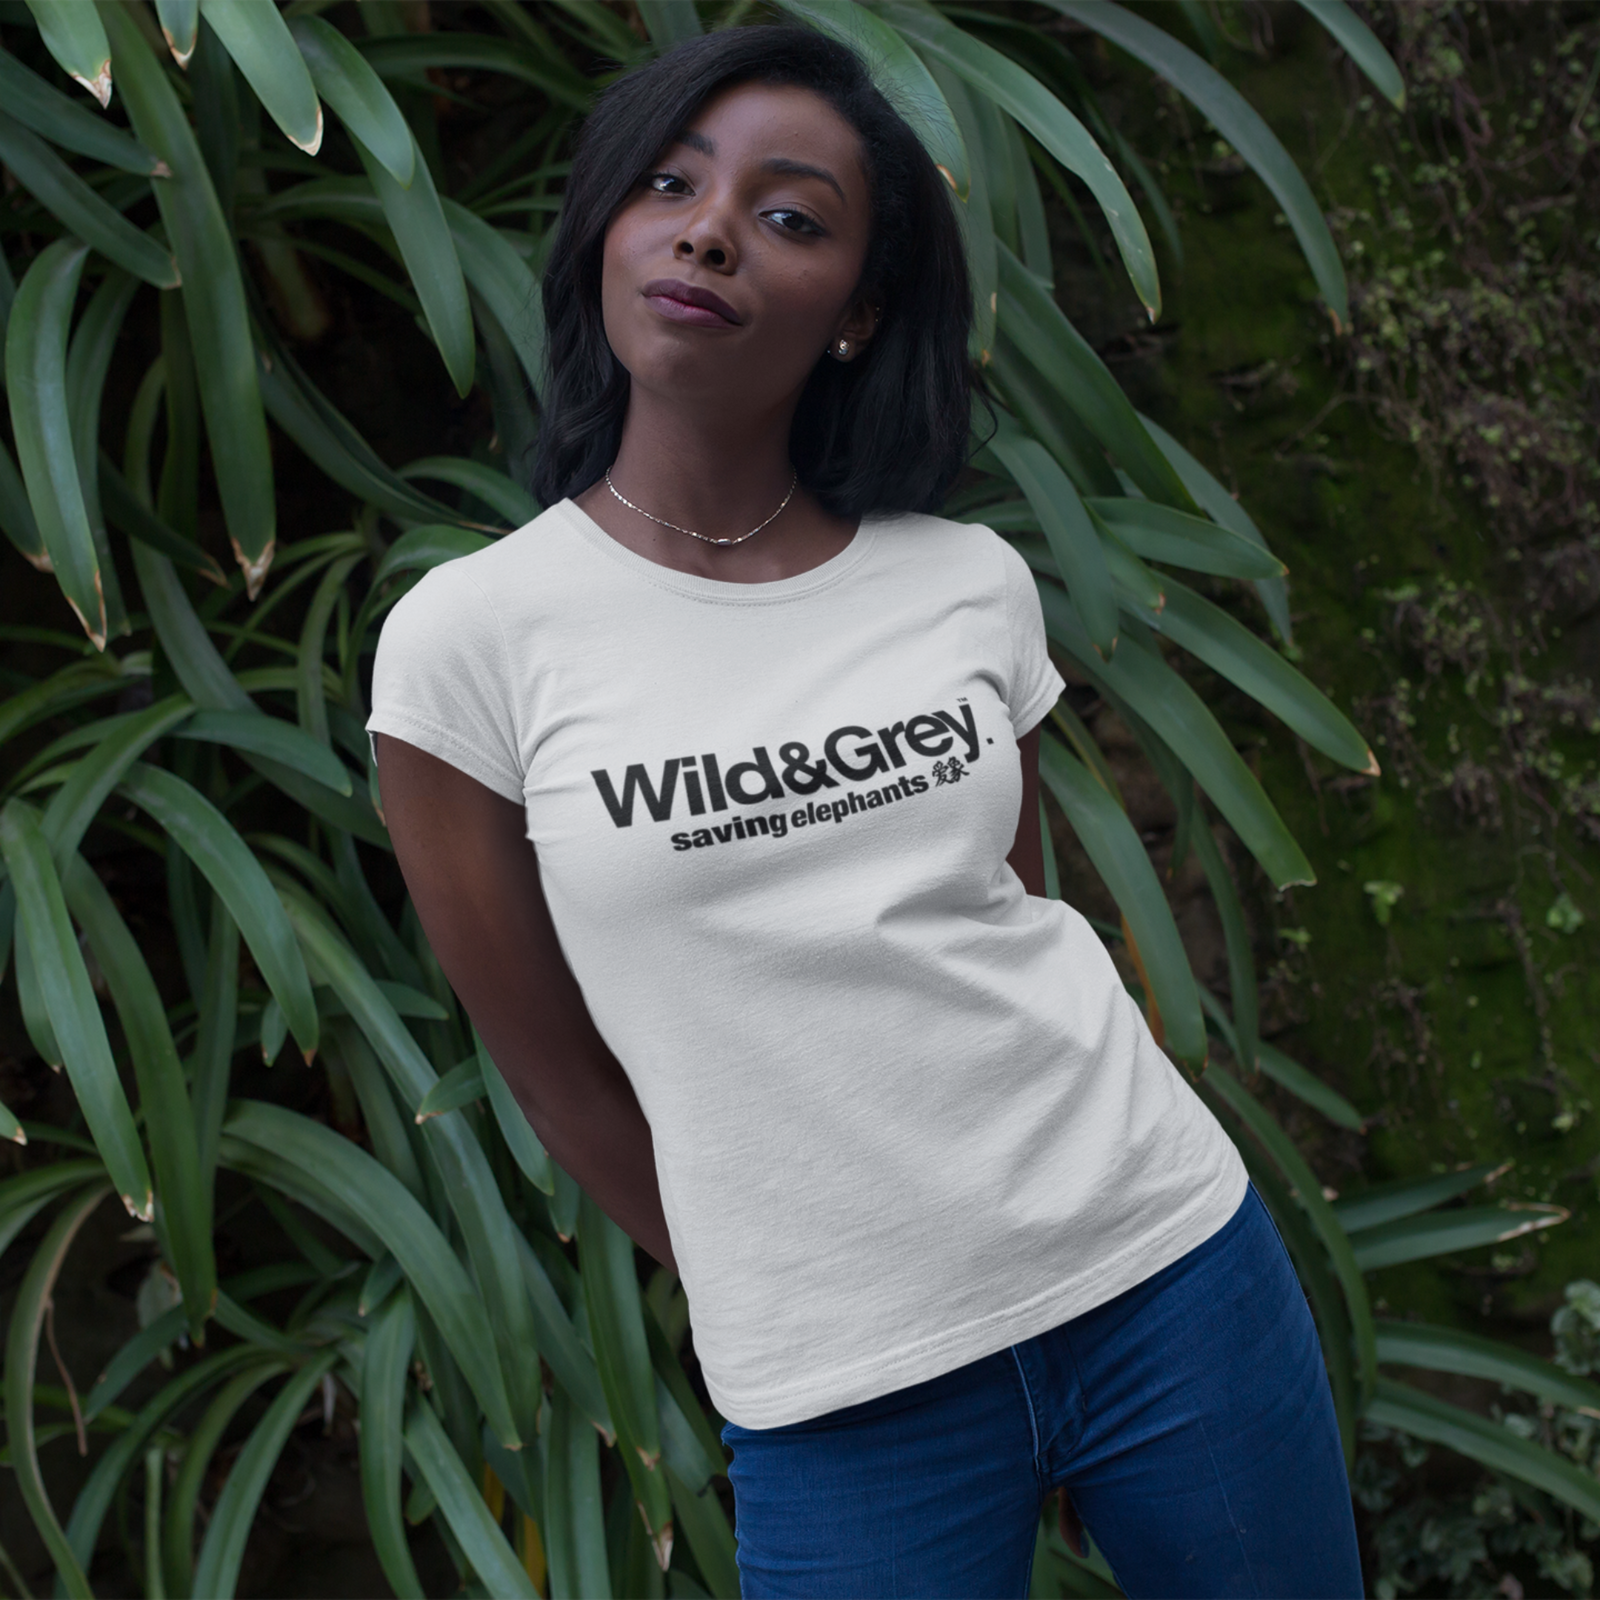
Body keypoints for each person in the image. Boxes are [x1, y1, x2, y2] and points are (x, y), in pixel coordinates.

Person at [366, 25, 1363, 1598]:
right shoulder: (471, 640)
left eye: (791, 213)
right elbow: (556, 1076)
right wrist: (819, 1286)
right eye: (671, 184)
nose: (708, 228)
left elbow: (1017, 911)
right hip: (845, 1385)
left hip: (1166, 1272)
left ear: (862, 310)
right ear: (607, 233)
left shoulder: (962, 581)